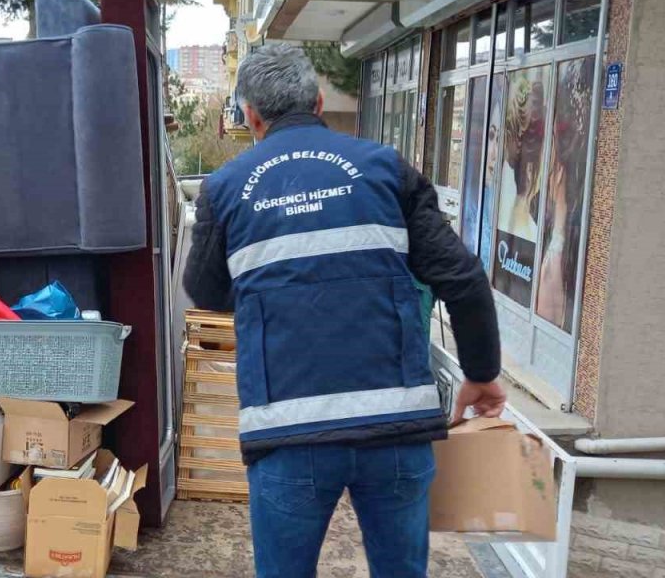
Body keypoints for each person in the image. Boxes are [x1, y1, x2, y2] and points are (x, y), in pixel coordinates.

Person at [183, 44, 506, 578]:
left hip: (288, 433)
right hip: (395, 429)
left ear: (250, 116)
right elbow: (464, 279)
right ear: (318, 99)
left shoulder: (226, 188)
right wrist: (482, 373)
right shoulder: (385, 169)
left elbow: (206, 290)